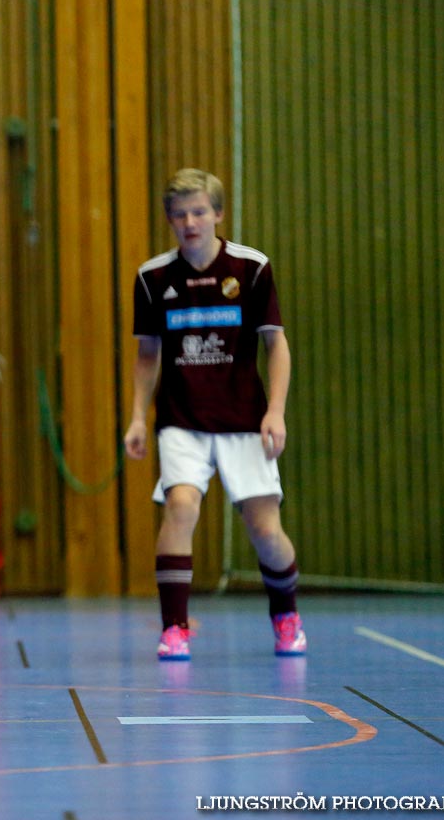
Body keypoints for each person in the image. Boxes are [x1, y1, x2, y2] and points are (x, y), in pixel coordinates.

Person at [124, 167, 305, 661]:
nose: (190, 222)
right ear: (169, 219)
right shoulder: (152, 277)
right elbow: (147, 354)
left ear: (218, 214)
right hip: (182, 420)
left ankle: (286, 614)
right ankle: (174, 628)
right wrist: (138, 416)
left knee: (266, 532)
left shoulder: (251, 268)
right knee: (181, 507)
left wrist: (276, 411)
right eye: (180, 214)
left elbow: (276, 345)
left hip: (244, 420)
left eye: (200, 211)